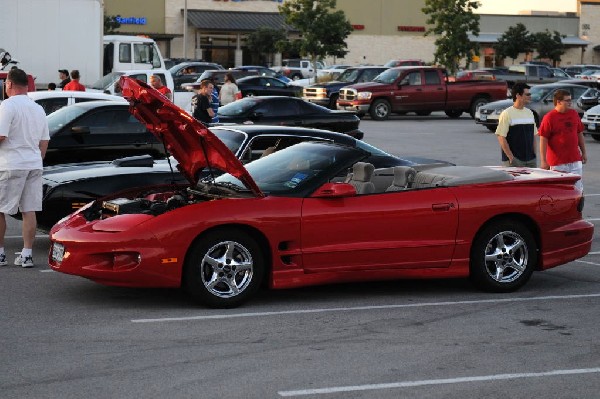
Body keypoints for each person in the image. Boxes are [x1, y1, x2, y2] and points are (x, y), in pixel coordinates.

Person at [0, 68, 50, 268]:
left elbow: (1, 136)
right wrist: (37, 158)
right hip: (33, 163)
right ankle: (27, 254)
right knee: (29, 210)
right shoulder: (37, 108)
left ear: (9, 84)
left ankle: (1, 253)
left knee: (0, 209)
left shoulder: (7, 106)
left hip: (10, 164)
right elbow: (44, 140)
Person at [538, 89, 587, 190]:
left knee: (577, 190)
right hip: (558, 163)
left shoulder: (574, 114)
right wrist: (543, 161)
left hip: (575, 160)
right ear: (558, 102)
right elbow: (543, 139)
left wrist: (584, 152)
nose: (570, 102)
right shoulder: (549, 117)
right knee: (559, 191)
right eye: (567, 100)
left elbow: (579, 134)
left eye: (570, 100)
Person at [495, 82, 537, 167]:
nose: (530, 96)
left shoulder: (530, 113)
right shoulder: (507, 113)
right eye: (527, 94)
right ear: (518, 96)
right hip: (515, 161)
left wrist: (534, 155)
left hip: (530, 160)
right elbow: (501, 137)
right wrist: (511, 157)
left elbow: (534, 136)